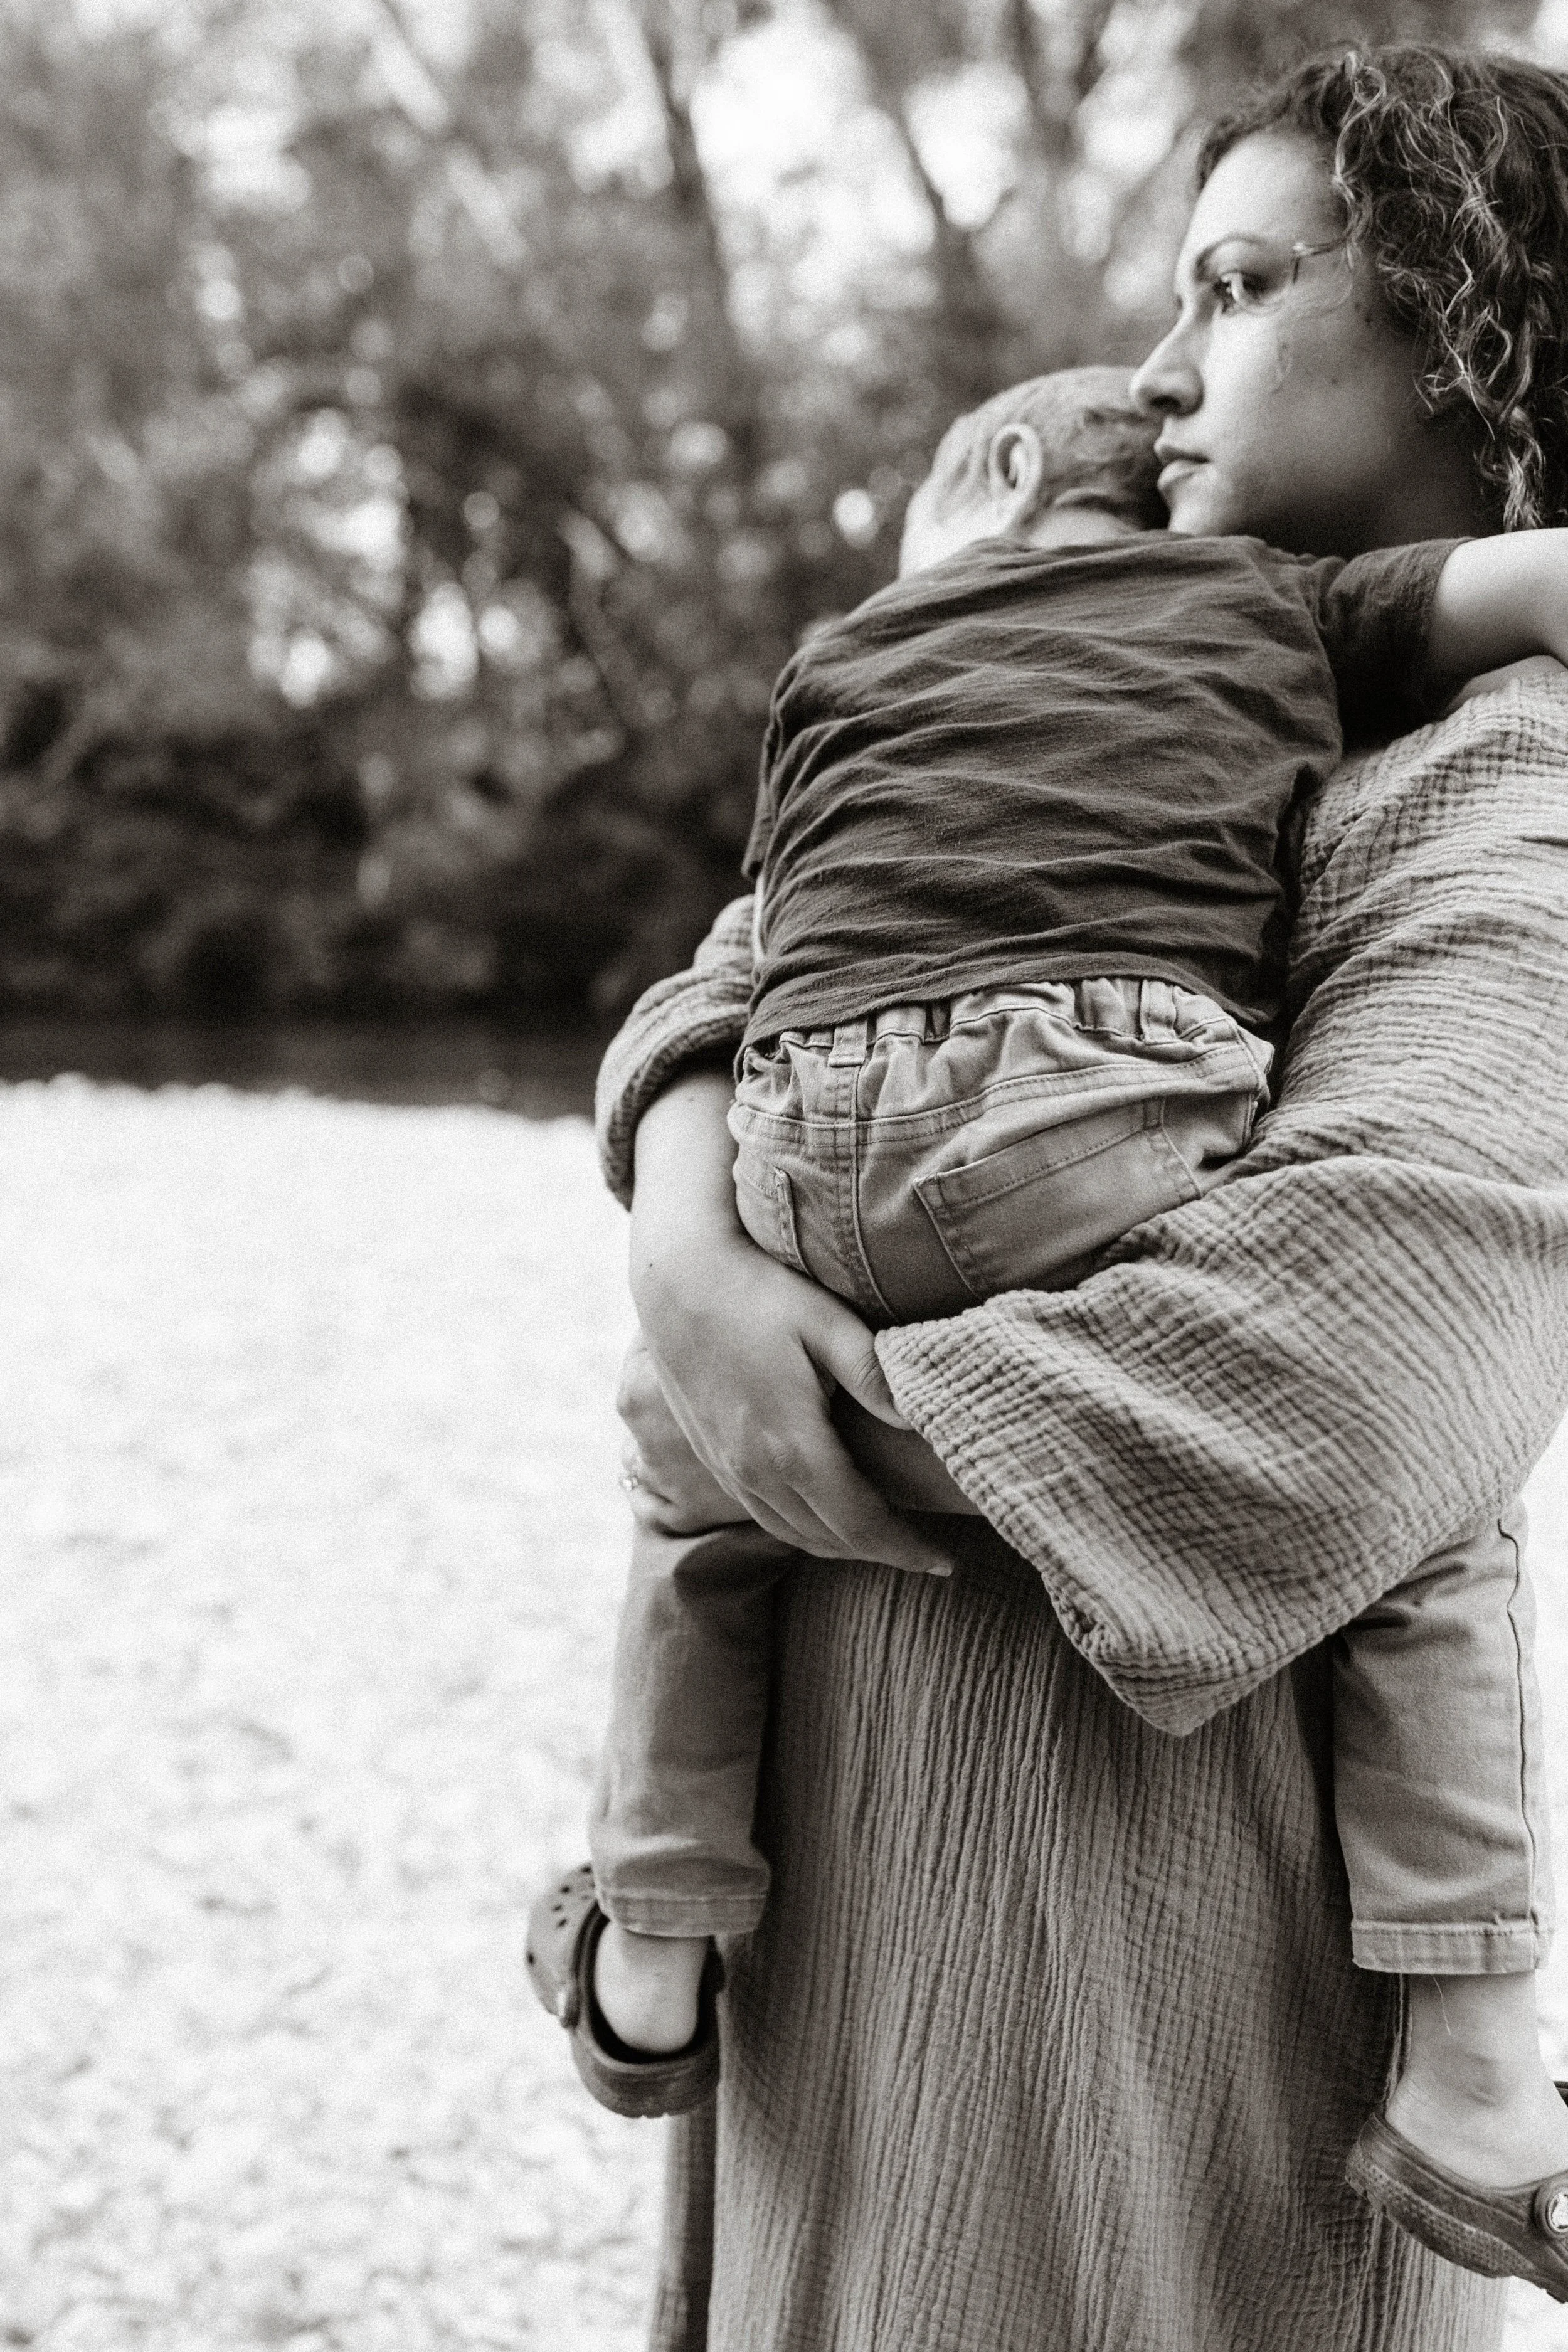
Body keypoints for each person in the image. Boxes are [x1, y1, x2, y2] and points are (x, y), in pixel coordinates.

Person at [572, 46, 1568, 2352]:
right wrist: (691, 1248)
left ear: (1466, 329)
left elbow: (1344, 1376)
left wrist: (754, 1398)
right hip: (851, 1892)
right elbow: (737, 973)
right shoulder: (1070, 701)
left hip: (1154, 1964)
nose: (1155, 367)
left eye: (1232, 286)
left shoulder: (1501, 783)